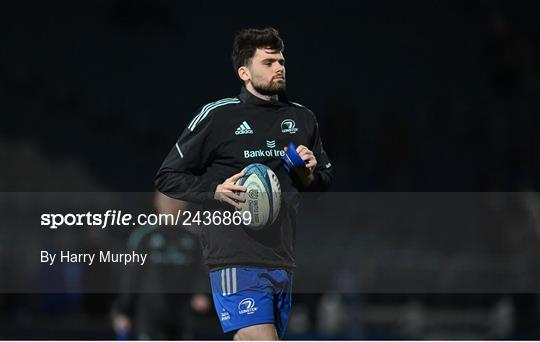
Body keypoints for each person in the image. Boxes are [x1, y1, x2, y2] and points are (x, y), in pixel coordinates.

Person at [155, 27, 333, 340]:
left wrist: (307, 175)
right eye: (268, 62)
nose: (279, 67)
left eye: (281, 61)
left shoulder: (303, 119)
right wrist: (215, 191)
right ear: (244, 72)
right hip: (234, 258)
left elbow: (322, 184)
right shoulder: (217, 117)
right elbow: (167, 177)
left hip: (282, 259)